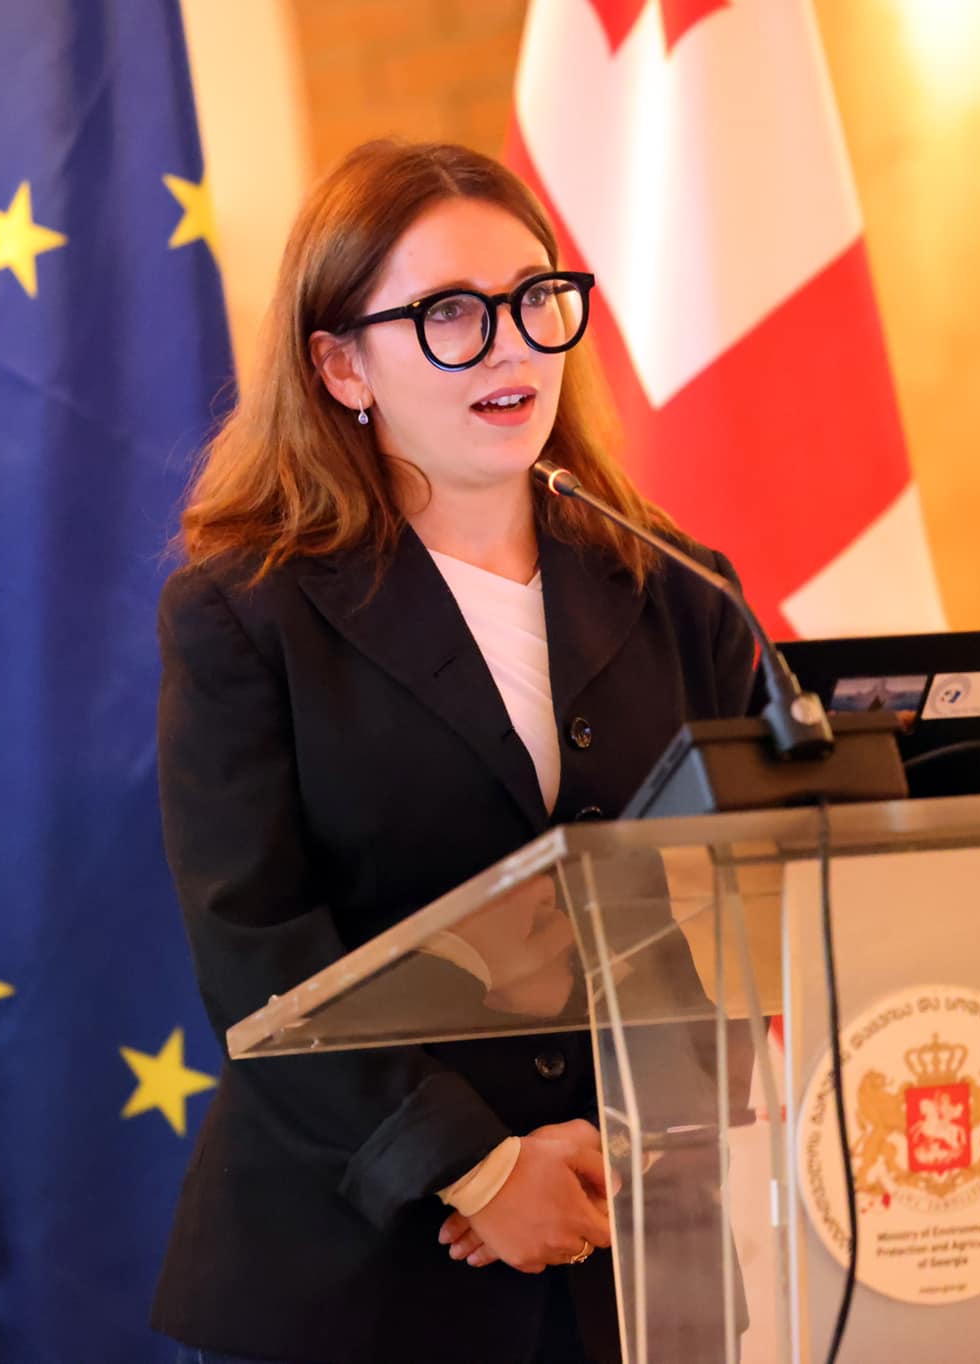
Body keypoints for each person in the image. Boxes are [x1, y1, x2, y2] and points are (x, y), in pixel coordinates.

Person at [151, 139, 757, 1364]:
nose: (511, 345)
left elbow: (743, 882)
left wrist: (643, 1137)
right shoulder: (245, 612)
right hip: (363, 1266)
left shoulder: (676, 585)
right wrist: (476, 1167)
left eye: (534, 298)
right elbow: (253, 941)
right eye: (449, 313)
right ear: (339, 364)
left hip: (632, 1239)